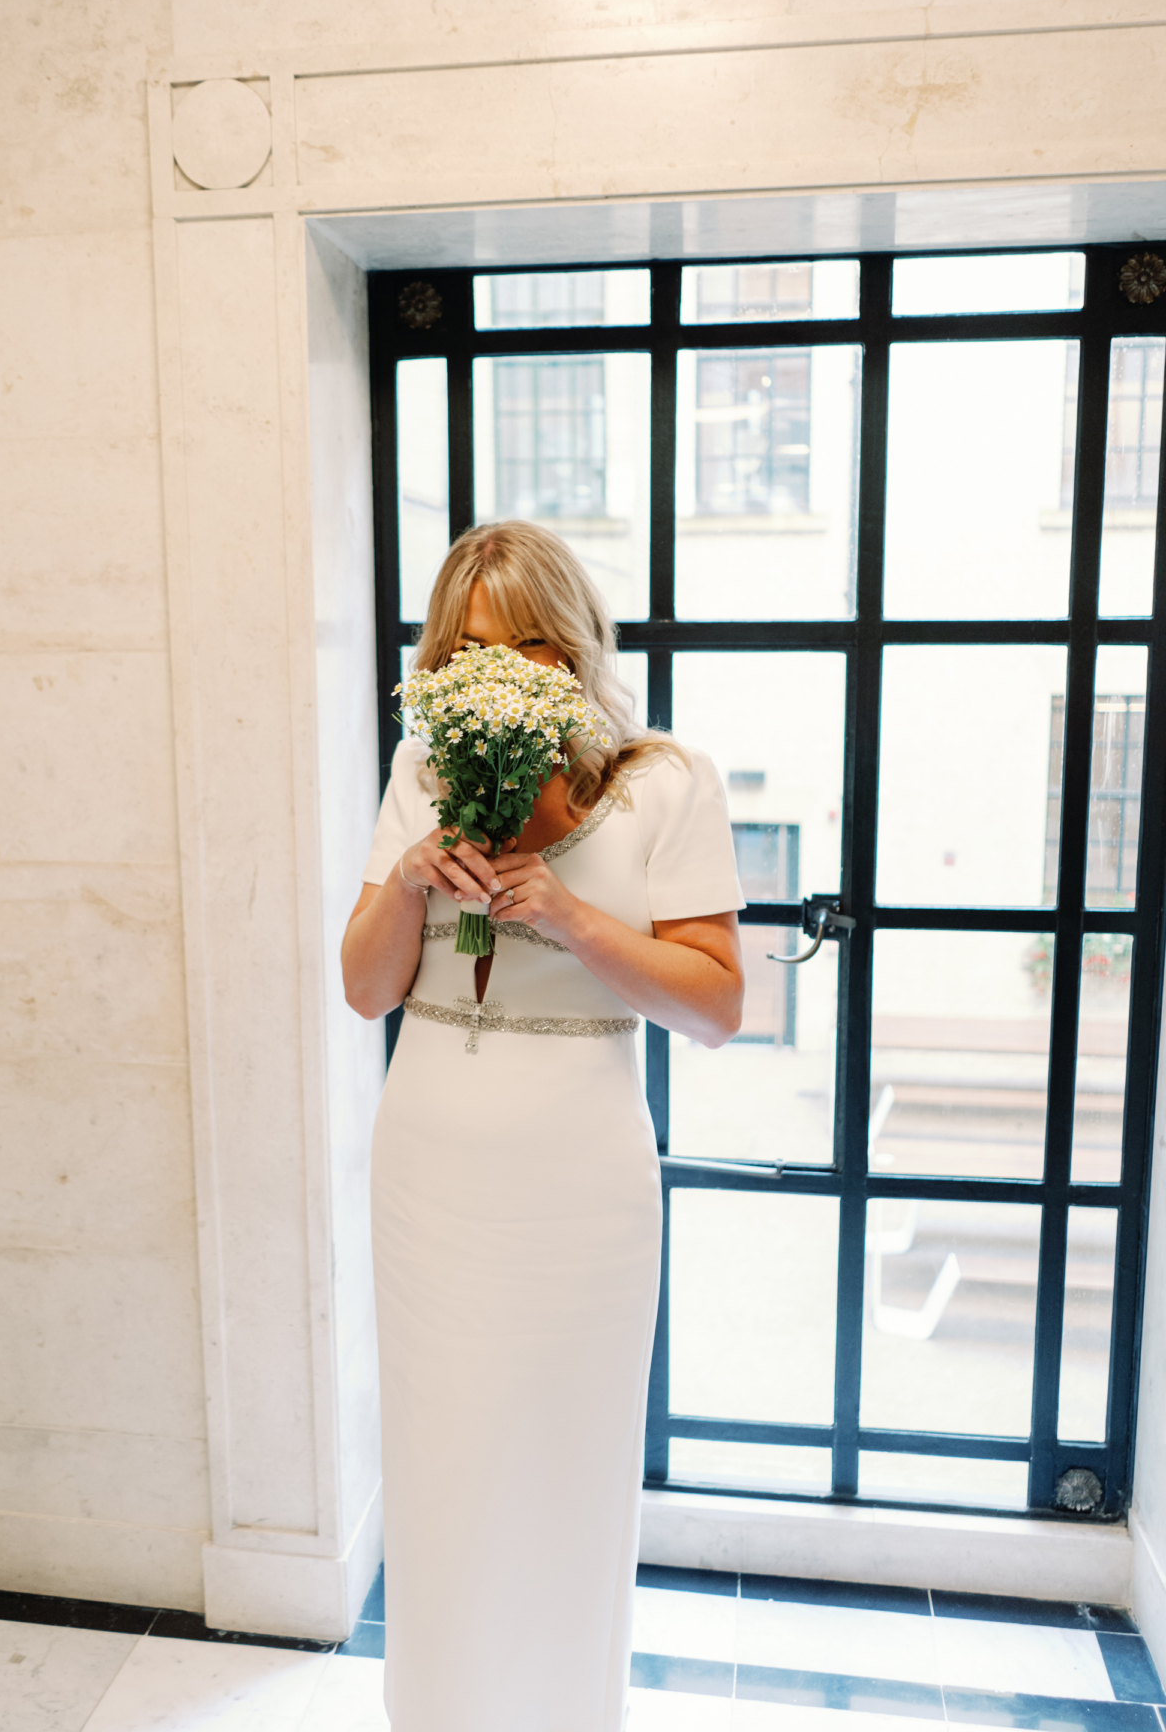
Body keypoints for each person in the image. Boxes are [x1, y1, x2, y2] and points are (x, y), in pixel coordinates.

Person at [342, 520, 745, 1732]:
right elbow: (366, 989)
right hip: (432, 1170)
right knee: (444, 1468)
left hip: (581, 1181)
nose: (501, 671)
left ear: (572, 646)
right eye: (469, 649)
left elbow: (718, 1007)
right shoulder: (426, 771)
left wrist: (569, 919)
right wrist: (413, 878)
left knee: (567, 1470)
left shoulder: (664, 780)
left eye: (526, 645)